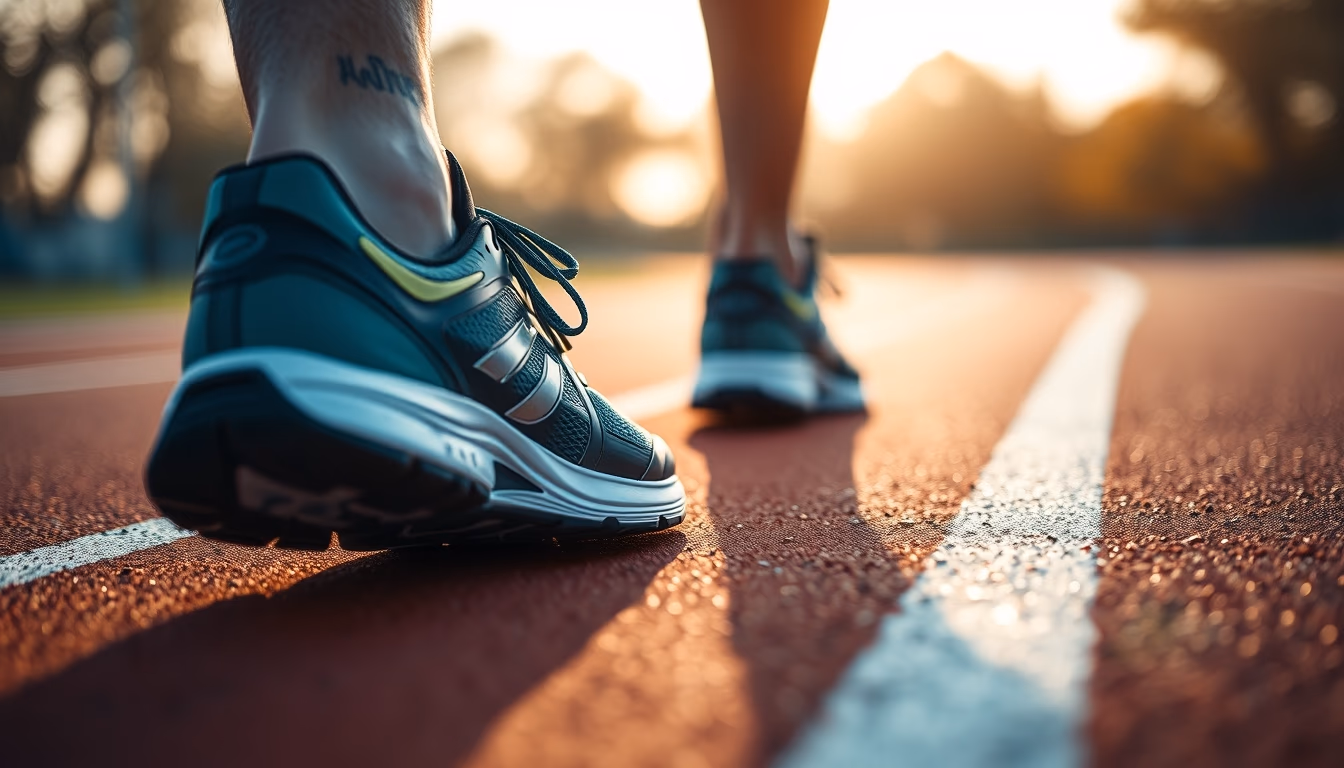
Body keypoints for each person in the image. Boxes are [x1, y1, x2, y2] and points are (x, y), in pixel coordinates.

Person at [143, 0, 863, 550]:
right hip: (388, 298)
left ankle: (316, 205)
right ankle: (759, 264)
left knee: (325, 142)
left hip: (248, 277)